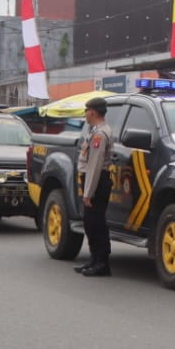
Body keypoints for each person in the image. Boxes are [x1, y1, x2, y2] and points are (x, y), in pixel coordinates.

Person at [74, 97, 114, 276]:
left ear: (92, 112)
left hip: (97, 182)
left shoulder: (99, 135)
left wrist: (88, 192)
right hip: (93, 181)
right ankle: (94, 259)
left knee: (96, 223)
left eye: (86, 110)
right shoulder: (95, 131)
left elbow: (95, 166)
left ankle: (102, 262)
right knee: (90, 223)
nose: (85, 114)